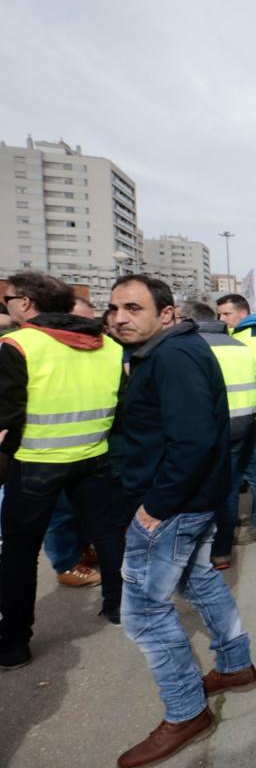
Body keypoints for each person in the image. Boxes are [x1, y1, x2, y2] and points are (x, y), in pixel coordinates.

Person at [107, 274, 256, 768]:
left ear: (166, 313)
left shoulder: (172, 356)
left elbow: (191, 441)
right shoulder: (169, 351)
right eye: (114, 309)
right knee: (200, 583)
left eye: (133, 308)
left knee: (144, 613)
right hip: (189, 500)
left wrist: (154, 508)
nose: (120, 318)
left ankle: (187, 712)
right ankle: (235, 668)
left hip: (171, 506)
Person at [0, 271, 126, 671]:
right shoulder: (106, 344)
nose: (7, 305)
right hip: (94, 457)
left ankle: (15, 642)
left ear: (26, 303)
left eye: (8, 299)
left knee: (19, 552)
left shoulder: (17, 345)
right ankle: (119, 607)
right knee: (108, 535)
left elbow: (7, 415)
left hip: (37, 463)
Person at [176, 300, 256, 570]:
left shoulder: (191, 348)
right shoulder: (239, 346)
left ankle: (214, 547)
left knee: (215, 488)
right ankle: (222, 550)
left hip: (210, 430)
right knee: (233, 482)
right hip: (244, 423)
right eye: (221, 314)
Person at [42, 295, 106, 588]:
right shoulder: (40, 348)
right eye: (80, 319)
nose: (87, 326)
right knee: (60, 514)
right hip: (47, 450)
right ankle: (66, 564)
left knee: (78, 510)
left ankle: (80, 550)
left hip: (87, 449)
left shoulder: (92, 349)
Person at [215, 294, 256, 542]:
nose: (221, 319)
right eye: (219, 314)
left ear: (241, 313)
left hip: (246, 416)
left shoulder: (250, 338)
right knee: (252, 469)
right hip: (245, 415)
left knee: (252, 470)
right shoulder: (240, 335)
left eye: (226, 314)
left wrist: (253, 414)